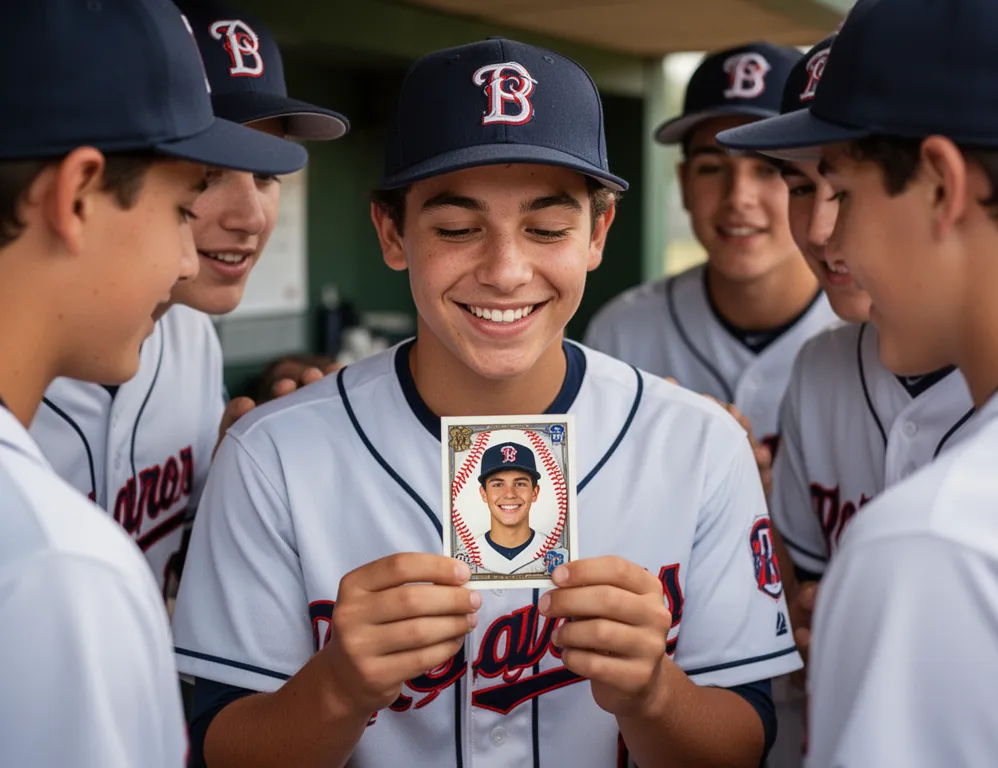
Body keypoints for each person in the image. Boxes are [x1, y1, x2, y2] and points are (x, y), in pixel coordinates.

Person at [172, 37, 801, 768]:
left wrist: (655, 693)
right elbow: (222, 747)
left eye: (546, 228)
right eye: (457, 228)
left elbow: (746, 742)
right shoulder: (273, 453)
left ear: (597, 233)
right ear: (391, 232)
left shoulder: (697, 444)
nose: (506, 271)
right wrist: (337, 687)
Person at [717, 0, 998, 764]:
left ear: (944, 186)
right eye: (804, 189)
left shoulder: (941, 540)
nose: (827, 235)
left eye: (845, 191)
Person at [0, 0, 305, 765]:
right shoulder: (55, 564)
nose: (189, 252)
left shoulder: (188, 345)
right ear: (75, 195)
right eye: (190, 194)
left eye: (265, 174)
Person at [28, 0, 348, 603]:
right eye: (205, 174)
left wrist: (237, 481)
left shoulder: (191, 335)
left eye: (266, 176)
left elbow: (174, 575)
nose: (251, 216)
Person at [585, 42, 836, 457]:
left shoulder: (869, 329)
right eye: (712, 167)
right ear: (683, 183)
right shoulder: (622, 332)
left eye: (769, 167)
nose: (738, 197)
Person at [473, 442, 547, 574]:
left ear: (534, 493)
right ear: (484, 494)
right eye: (497, 485)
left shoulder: (555, 551)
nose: (510, 494)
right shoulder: (465, 555)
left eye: (520, 484)